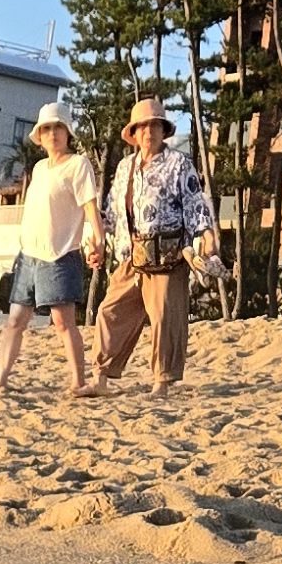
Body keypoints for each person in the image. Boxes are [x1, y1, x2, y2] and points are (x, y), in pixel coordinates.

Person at [88, 99, 217, 396]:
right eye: (143, 126)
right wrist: (95, 239)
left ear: (163, 130)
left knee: (164, 317)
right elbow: (113, 213)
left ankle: (162, 381)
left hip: (168, 255)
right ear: (134, 132)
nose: (149, 131)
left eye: (155, 125)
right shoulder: (124, 168)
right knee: (110, 311)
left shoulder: (179, 163)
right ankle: (101, 377)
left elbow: (195, 202)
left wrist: (205, 233)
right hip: (132, 254)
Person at [0, 102, 102, 398]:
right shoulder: (40, 168)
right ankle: (1, 378)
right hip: (28, 255)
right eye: (47, 128)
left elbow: (90, 207)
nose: (52, 133)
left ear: (68, 133)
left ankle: (78, 381)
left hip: (60, 254)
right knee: (15, 320)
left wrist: (98, 239)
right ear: (39, 135)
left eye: (58, 127)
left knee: (63, 322)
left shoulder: (78, 165)